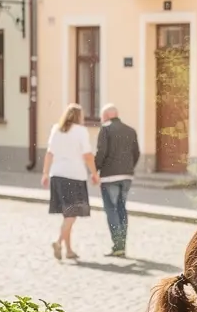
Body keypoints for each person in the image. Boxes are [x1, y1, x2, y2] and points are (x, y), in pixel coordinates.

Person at [41, 103, 98, 261]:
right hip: (74, 176)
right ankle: (58, 242)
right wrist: (94, 173)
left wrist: (45, 173)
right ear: (79, 116)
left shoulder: (56, 129)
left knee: (68, 214)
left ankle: (69, 250)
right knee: (71, 215)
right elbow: (87, 155)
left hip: (57, 175)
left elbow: (49, 153)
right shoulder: (81, 131)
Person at [95, 103, 140, 257]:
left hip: (109, 176)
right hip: (127, 176)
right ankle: (122, 244)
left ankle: (118, 245)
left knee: (111, 210)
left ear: (106, 116)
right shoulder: (130, 130)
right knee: (122, 209)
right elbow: (136, 153)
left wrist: (95, 169)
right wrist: (129, 168)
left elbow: (101, 152)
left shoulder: (105, 129)